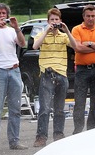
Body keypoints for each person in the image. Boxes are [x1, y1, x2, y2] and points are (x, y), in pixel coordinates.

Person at [0, 3, 28, 151]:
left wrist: (17, 28)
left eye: (4, 13)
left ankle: (14, 141)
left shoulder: (12, 31)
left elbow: (22, 43)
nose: (2, 15)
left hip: (14, 70)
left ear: (7, 15)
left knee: (15, 109)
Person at [32, 8, 77, 147]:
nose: (55, 22)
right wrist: (47, 31)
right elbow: (35, 46)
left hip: (62, 73)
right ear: (48, 21)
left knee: (59, 108)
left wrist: (67, 31)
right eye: (52, 20)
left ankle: (58, 134)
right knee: (44, 108)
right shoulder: (42, 34)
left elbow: (76, 46)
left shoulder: (63, 36)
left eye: (57, 20)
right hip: (47, 73)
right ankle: (41, 137)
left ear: (60, 21)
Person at [71, 4, 95, 134]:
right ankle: (78, 130)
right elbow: (78, 48)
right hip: (82, 70)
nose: (90, 19)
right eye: (88, 16)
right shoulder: (76, 29)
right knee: (80, 101)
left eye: (93, 16)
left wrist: (91, 44)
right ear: (83, 16)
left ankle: (92, 130)